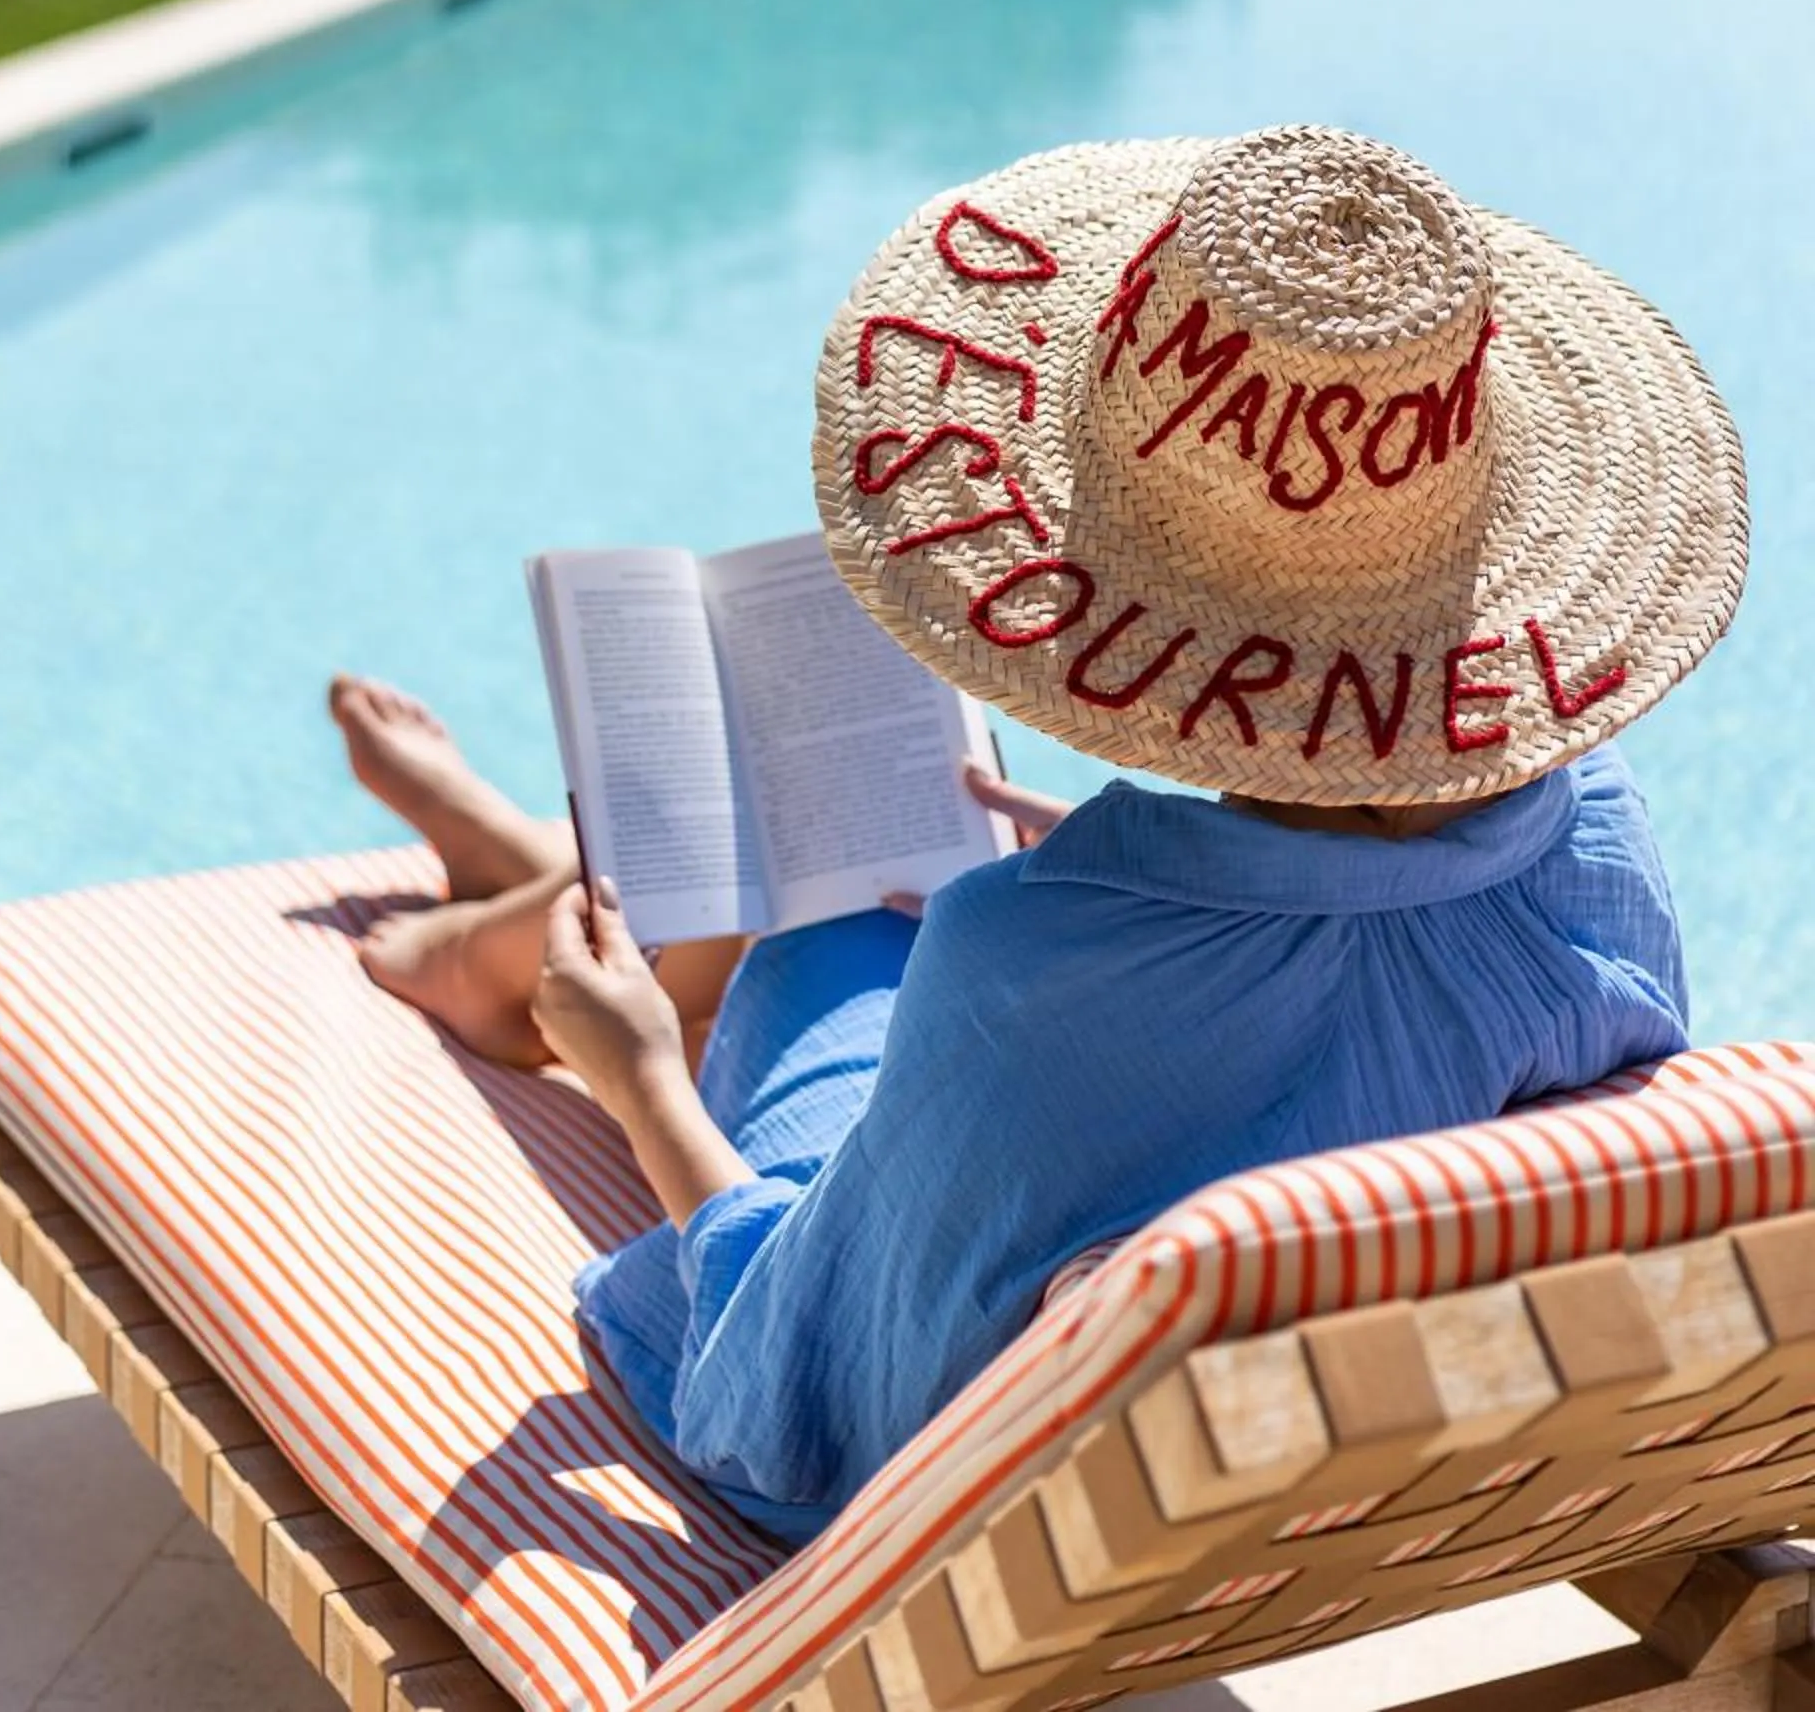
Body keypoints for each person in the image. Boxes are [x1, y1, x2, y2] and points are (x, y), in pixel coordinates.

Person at [332, 125, 1748, 1544]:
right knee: (858, 875)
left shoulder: (1030, 962)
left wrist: (639, 1079)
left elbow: (804, 1383)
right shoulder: (1597, 848)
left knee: (815, 886)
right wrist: (1195, 886)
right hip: (1326, 1490)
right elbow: (1370, 995)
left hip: (1010, 1471)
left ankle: (499, 960)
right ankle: (514, 867)